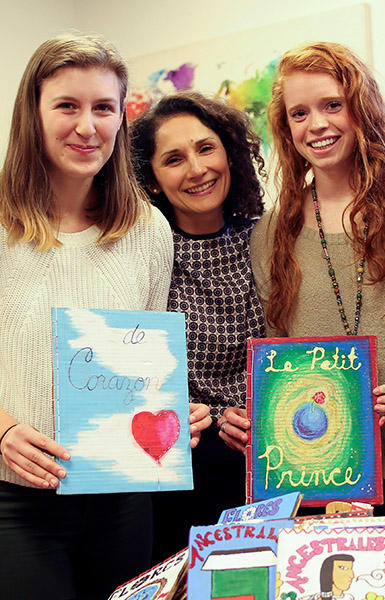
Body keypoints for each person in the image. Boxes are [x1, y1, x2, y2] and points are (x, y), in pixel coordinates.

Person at [0, 34, 207, 600]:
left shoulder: (148, 231)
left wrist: (169, 407)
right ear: (32, 114)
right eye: (67, 105)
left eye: (103, 108)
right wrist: (3, 429)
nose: (87, 127)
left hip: (121, 498)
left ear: (121, 117)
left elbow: (141, 359)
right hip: (17, 503)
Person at [220, 42, 385, 520]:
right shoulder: (272, 231)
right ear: (286, 129)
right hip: (315, 478)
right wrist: (254, 418)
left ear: (361, 108)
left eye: (333, 105)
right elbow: (275, 352)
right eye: (299, 113)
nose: (317, 124)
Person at [131, 91, 266, 561]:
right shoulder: (141, 254)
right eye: (174, 159)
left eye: (206, 148)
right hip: (174, 472)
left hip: (272, 467)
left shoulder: (270, 238)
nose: (196, 169)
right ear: (151, 181)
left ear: (229, 150)